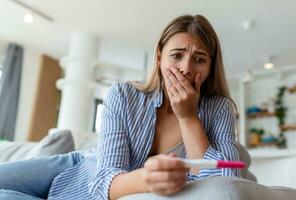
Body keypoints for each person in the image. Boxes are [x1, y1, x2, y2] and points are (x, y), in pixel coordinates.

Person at [0, 14, 240, 200]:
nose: (186, 68)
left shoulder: (219, 109)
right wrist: (147, 178)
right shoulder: (124, 95)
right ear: (159, 58)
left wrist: (188, 117)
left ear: (210, 67)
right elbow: (102, 179)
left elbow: (228, 181)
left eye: (199, 60)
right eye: (176, 55)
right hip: (80, 167)